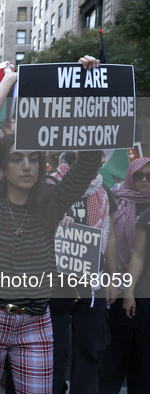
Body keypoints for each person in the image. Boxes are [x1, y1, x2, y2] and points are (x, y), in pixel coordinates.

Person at [0, 56, 102, 393]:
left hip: (36, 324)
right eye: (16, 158)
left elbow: (88, 161)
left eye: (34, 158)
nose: (27, 165)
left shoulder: (52, 203)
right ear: (1, 169)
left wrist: (86, 89)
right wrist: (8, 80)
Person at [49, 151, 118, 394]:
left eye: (98, 157)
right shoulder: (50, 185)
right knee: (55, 349)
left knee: (90, 348)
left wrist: (111, 276)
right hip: (56, 282)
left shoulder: (103, 190)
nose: (95, 160)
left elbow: (108, 237)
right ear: (71, 155)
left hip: (93, 280)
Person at [99, 157, 150, 393]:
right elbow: (108, 240)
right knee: (117, 348)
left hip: (144, 290)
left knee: (143, 354)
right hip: (119, 286)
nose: (144, 181)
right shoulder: (117, 200)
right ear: (130, 176)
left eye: (149, 176)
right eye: (139, 176)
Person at [122, 206, 150, 392]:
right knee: (144, 357)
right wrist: (129, 292)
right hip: (145, 296)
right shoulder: (147, 215)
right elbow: (138, 256)